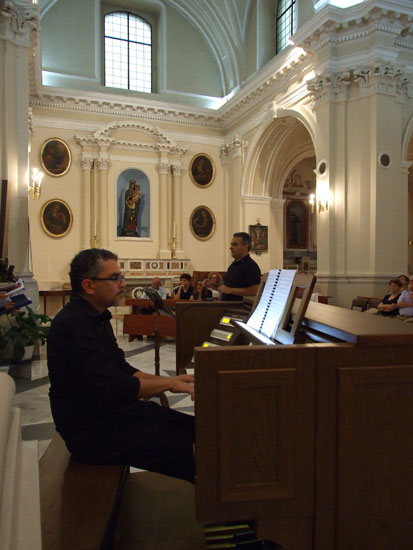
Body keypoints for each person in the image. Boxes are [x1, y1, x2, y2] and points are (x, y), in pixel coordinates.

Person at [47, 248, 195, 483]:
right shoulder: (73, 326)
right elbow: (113, 386)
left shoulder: (96, 317)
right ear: (89, 286)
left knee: (193, 426)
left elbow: (122, 369)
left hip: (112, 414)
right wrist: (167, 383)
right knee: (185, 446)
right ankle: (217, 506)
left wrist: (175, 381)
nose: (122, 283)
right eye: (116, 278)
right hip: (92, 431)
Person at [219, 232, 261, 301]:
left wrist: (231, 290)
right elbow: (229, 287)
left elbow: (255, 290)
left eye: (234, 245)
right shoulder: (233, 265)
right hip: (228, 307)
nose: (230, 248)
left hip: (240, 309)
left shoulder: (250, 265)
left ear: (245, 247)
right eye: (231, 244)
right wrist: (214, 285)